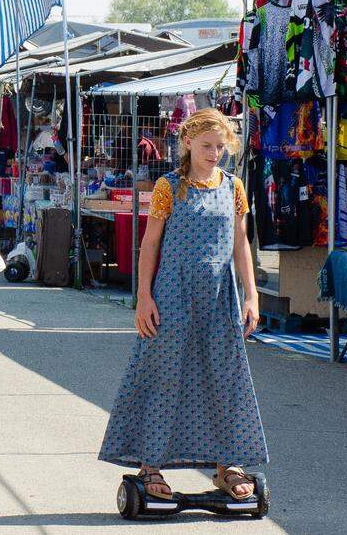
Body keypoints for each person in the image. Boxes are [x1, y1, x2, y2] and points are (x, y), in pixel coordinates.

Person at [98, 108, 267, 502]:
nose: (214, 154)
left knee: (224, 378)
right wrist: (143, 297)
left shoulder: (234, 186)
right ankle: (150, 464)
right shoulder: (168, 187)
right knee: (164, 375)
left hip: (220, 297)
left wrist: (252, 294)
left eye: (220, 147)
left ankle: (228, 464)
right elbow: (150, 243)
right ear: (188, 141)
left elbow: (241, 244)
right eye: (207, 146)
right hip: (172, 293)